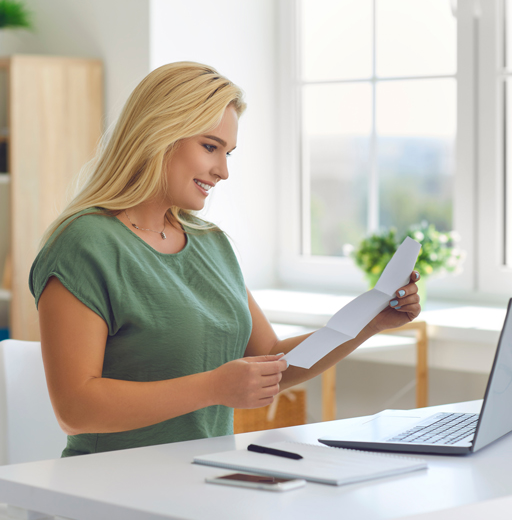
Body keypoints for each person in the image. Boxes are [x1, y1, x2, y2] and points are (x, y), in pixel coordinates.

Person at [29, 61, 421, 457]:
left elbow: (272, 361)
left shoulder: (210, 243)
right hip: (109, 488)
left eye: (228, 152)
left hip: (208, 478)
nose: (223, 171)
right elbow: (75, 409)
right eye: (210, 147)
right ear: (158, 134)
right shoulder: (84, 244)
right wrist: (213, 387)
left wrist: (370, 322)